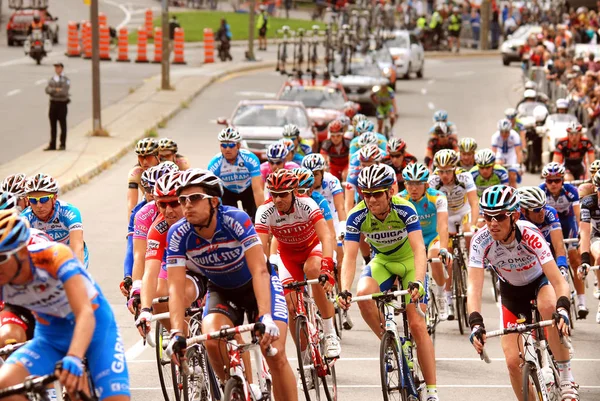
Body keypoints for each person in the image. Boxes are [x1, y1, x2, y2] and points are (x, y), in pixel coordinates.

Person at [164, 169, 296, 400]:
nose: (186, 205)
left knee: (274, 352)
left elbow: (259, 270)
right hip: (222, 290)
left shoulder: (235, 220)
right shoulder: (178, 233)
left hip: (258, 286)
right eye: (182, 199)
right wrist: (177, 331)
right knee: (211, 338)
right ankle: (233, 388)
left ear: (214, 201)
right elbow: (174, 287)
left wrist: (264, 315)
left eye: (194, 198)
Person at [0, 210, 130, 401]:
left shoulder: (54, 257)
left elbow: (85, 312)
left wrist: (75, 357)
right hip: (51, 338)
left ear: (21, 251)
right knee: (5, 385)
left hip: (97, 330)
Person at [337, 164, 440, 401]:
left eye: (376, 194)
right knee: (364, 296)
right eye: (366, 194)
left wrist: (417, 281)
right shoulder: (357, 215)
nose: (371, 200)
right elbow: (350, 258)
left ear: (390, 192)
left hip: (409, 262)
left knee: (416, 324)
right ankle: (390, 344)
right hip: (382, 261)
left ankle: (433, 392)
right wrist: (344, 289)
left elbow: (418, 249)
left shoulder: (405, 209)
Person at [468, 185, 578, 401]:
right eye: (488, 216)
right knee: (511, 361)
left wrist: (563, 307)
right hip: (511, 290)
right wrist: (475, 322)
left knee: (549, 308)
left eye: (500, 216)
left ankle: (566, 377)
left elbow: (558, 281)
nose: (493, 223)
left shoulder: (530, 234)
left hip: (539, 281)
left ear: (515, 215)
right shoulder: (480, 241)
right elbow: (474, 287)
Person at [255, 169, 340, 359]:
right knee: (291, 306)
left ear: (294, 191)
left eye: (283, 194)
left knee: (313, 270)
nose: (278, 200)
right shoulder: (265, 211)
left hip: (312, 248)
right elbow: (259, 248)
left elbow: (326, 236)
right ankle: (304, 359)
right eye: (274, 194)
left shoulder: (307, 204)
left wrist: (327, 265)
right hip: (288, 256)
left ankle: (329, 333)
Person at [399, 163, 452, 320]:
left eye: (418, 184)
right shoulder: (400, 198)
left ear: (426, 184)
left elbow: (443, 225)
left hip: (433, 237)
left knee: (434, 254)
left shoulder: (437, 197)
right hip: (413, 239)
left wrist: (443, 248)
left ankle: (442, 294)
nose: (413, 188)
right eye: (410, 183)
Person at [539, 162, 586, 318]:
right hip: (550, 225)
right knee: (550, 258)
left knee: (574, 258)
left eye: (557, 180)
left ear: (562, 180)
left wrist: (580, 231)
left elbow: (578, 215)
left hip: (567, 223)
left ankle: (581, 301)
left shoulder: (571, 191)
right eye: (549, 181)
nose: (553, 184)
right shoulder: (541, 191)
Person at [21, 173, 89, 269]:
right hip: (44, 258)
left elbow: (78, 246)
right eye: (33, 200)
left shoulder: (69, 212)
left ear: (54, 198)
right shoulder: (25, 218)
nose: (39, 205)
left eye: (44, 199)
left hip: (70, 255)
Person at [208, 127, 264, 221]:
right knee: (227, 220)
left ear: (238, 145)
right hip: (227, 191)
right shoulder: (214, 164)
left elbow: (257, 190)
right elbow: (212, 193)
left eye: (231, 145)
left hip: (247, 189)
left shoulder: (250, 159)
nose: (227, 149)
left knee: (256, 217)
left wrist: (263, 215)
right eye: (224, 145)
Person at [579, 171, 600, 322]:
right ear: (595, 189)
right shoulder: (588, 203)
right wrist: (585, 260)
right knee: (599, 255)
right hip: (597, 236)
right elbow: (585, 234)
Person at [127, 138, 160, 218]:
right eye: (141, 157)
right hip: (148, 202)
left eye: (148, 157)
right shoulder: (136, 174)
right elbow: (131, 204)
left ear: (158, 155)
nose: (145, 162)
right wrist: (131, 228)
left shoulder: (167, 168)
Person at [44, 62, 70, 151]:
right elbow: (47, 90)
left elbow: (64, 92)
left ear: (62, 69)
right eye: (56, 68)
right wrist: (56, 90)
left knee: (62, 125)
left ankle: (62, 144)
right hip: (53, 103)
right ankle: (52, 144)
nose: (57, 69)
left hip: (62, 104)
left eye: (58, 67)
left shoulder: (65, 79)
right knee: (53, 125)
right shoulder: (52, 79)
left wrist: (53, 91)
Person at [491, 118, 523, 187]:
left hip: (511, 154)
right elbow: (493, 153)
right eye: (502, 132)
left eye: (506, 132)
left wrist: (519, 165)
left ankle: (514, 194)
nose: (504, 134)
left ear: (510, 130)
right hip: (500, 153)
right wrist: (494, 163)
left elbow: (518, 152)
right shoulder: (495, 137)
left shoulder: (515, 135)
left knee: (512, 176)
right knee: (497, 172)